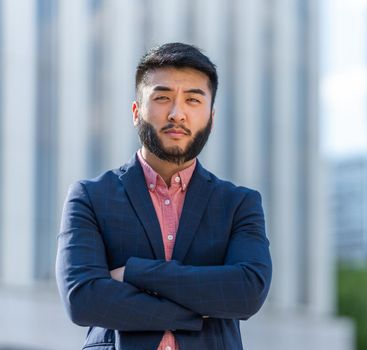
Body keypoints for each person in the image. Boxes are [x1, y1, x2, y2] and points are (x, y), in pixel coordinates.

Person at [56, 42, 272, 350]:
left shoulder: (239, 205)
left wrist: (134, 272)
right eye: (162, 97)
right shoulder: (90, 197)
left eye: (193, 100)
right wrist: (196, 312)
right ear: (136, 112)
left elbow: (247, 292)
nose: (177, 113)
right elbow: (83, 299)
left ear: (211, 117)